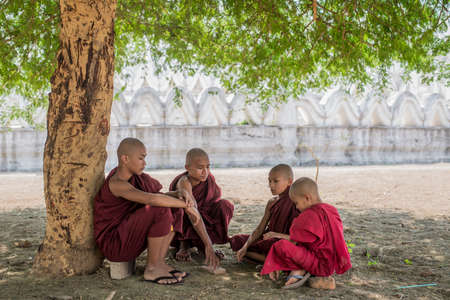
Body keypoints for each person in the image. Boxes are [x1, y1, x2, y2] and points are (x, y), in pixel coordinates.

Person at [94, 137, 200, 285]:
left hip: (128, 236)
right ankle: (151, 269)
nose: (145, 163)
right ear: (125, 158)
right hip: (115, 244)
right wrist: (187, 205)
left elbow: (159, 196)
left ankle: (159, 263)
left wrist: (180, 194)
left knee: (174, 210)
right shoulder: (116, 183)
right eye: (141, 158)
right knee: (159, 209)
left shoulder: (135, 179)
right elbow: (152, 200)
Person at [261, 177, 352, 289]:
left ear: (307, 198)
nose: (296, 207)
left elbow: (294, 240)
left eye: (296, 203)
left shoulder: (310, 215)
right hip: (331, 263)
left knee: (281, 246)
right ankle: (302, 271)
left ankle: (301, 271)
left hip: (320, 265)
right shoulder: (332, 210)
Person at [169, 148, 234, 271]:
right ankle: (184, 245)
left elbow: (209, 205)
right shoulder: (184, 182)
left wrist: (209, 245)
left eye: (208, 167)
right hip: (187, 219)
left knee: (225, 205)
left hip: (202, 216)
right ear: (187, 167)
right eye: (200, 168)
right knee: (182, 209)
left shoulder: (208, 179)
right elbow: (192, 213)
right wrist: (208, 245)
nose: (205, 172)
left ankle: (201, 246)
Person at [229, 164, 299, 263]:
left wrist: (276, 236)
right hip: (268, 239)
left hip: (285, 241)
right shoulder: (272, 202)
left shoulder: (297, 201)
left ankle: (270, 261)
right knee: (237, 240)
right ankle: (270, 260)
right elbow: (259, 229)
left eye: (276, 181)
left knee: (277, 246)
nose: (271, 185)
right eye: (269, 181)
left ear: (290, 181)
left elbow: (299, 236)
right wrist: (245, 247)